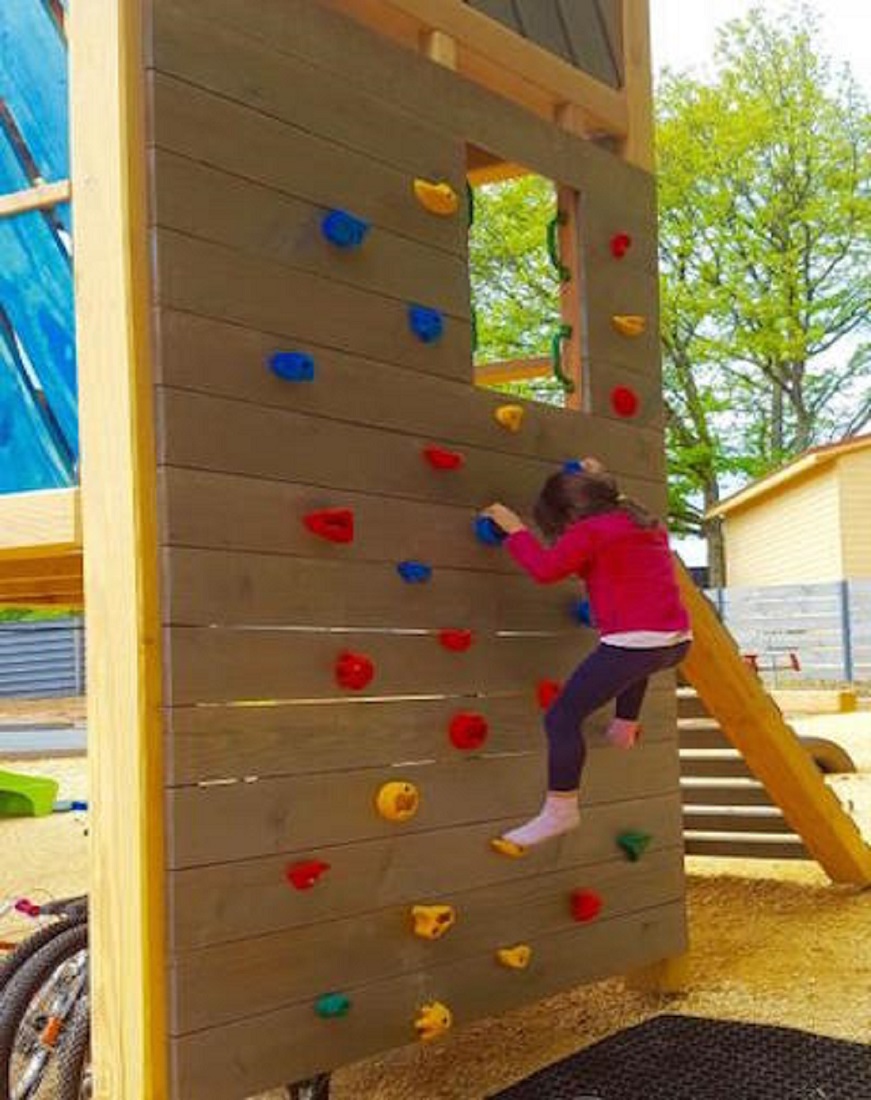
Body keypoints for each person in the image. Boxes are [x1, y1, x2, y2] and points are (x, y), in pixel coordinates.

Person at [481, 458, 691, 856]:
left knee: (561, 718)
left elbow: (545, 570)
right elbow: (616, 499)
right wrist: (597, 476)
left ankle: (561, 809)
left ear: (571, 515)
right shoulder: (644, 523)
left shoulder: (590, 531)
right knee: (638, 658)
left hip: (637, 644)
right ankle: (624, 725)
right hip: (677, 641)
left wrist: (515, 530)